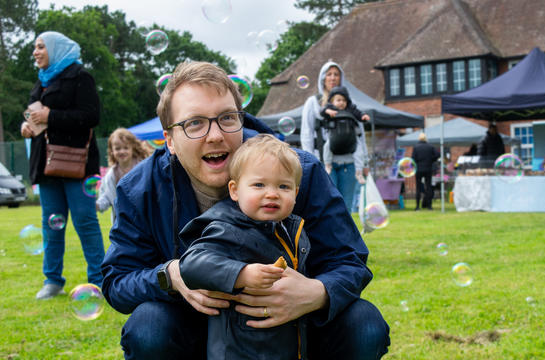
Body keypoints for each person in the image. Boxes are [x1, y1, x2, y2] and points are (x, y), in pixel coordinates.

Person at [101, 61, 389, 360]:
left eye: (227, 117)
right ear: (170, 140)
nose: (215, 135)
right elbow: (116, 280)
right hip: (198, 331)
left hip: (294, 330)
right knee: (148, 326)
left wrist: (318, 293)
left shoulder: (300, 171)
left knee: (364, 323)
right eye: (194, 123)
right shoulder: (140, 189)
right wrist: (170, 275)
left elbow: (349, 260)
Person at [179, 134, 310, 359]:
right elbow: (191, 264)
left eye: (283, 186)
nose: (272, 193)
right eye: (259, 184)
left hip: (282, 345)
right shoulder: (227, 229)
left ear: (295, 194)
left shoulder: (291, 229)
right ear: (235, 190)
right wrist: (241, 274)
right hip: (239, 351)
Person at [20, 31, 104, 299]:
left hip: (77, 164)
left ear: (56, 49)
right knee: (50, 224)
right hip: (47, 166)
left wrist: (51, 115)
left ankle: (100, 280)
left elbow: (91, 116)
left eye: (41, 47)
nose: (35, 52)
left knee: (85, 222)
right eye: (35, 47)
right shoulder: (41, 82)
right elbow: (38, 117)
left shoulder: (80, 76)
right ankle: (52, 280)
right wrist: (28, 126)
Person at [300, 61, 367, 209]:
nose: (332, 78)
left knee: (346, 206)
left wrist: (364, 162)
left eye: (336, 74)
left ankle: (345, 233)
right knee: (327, 205)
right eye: (329, 74)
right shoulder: (314, 103)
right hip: (323, 162)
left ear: (341, 78)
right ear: (322, 78)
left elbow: (360, 134)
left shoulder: (350, 104)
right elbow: (307, 134)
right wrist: (308, 162)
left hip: (349, 162)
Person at [96, 128, 149, 223]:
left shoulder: (144, 167)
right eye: (117, 148)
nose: (122, 151)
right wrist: (97, 205)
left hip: (145, 217)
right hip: (123, 221)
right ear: (112, 151)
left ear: (132, 147)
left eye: (125, 147)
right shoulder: (111, 175)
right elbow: (107, 197)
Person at [412, 132, 439, 210]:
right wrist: (431, 160)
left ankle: (417, 206)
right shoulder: (430, 146)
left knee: (418, 188)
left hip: (419, 169)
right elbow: (437, 155)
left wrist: (418, 162)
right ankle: (429, 206)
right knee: (429, 187)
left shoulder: (416, 147)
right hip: (428, 168)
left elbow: (413, 158)